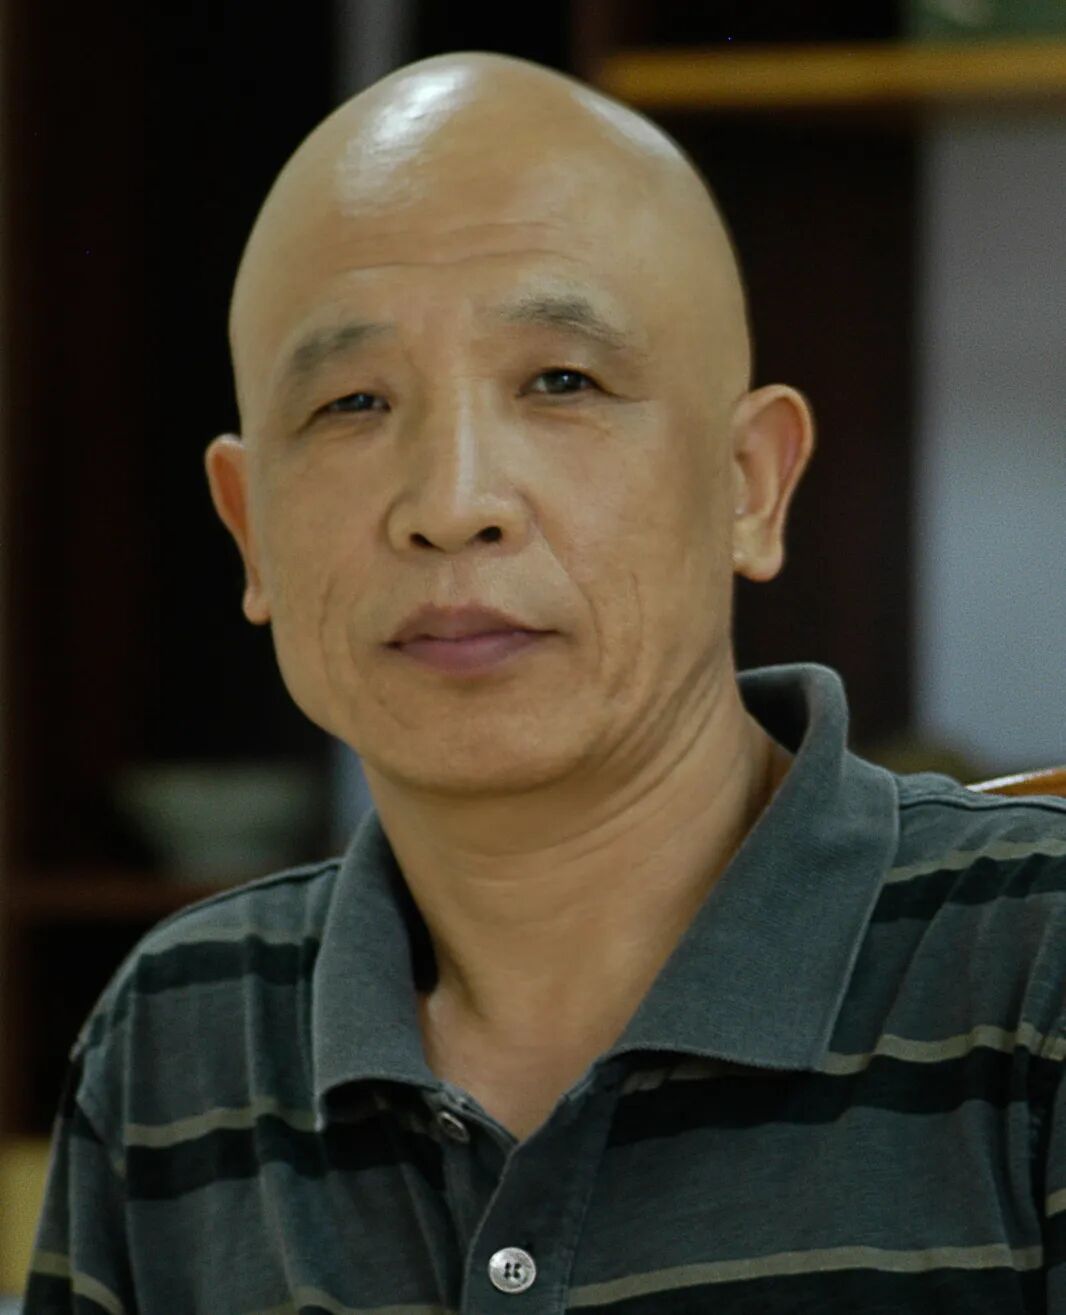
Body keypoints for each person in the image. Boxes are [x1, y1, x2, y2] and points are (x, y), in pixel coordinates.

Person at [25, 50, 1066, 1314]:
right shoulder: (176, 1036)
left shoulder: (1036, 964)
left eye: (560, 381)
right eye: (351, 403)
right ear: (250, 530)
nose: (451, 503)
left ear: (749, 483)